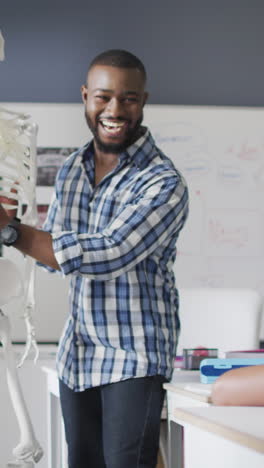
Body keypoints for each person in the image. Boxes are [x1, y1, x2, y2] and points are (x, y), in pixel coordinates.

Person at [0, 49, 189, 468]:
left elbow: (109, 253)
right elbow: (56, 259)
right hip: (79, 353)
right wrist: (16, 222)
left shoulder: (163, 183)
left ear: (144, 100)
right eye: (103, 97)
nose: (115, 109)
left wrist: (11, 230)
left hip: (133, 357)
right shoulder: (72, 168)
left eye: (129, 98)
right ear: (85, 96)